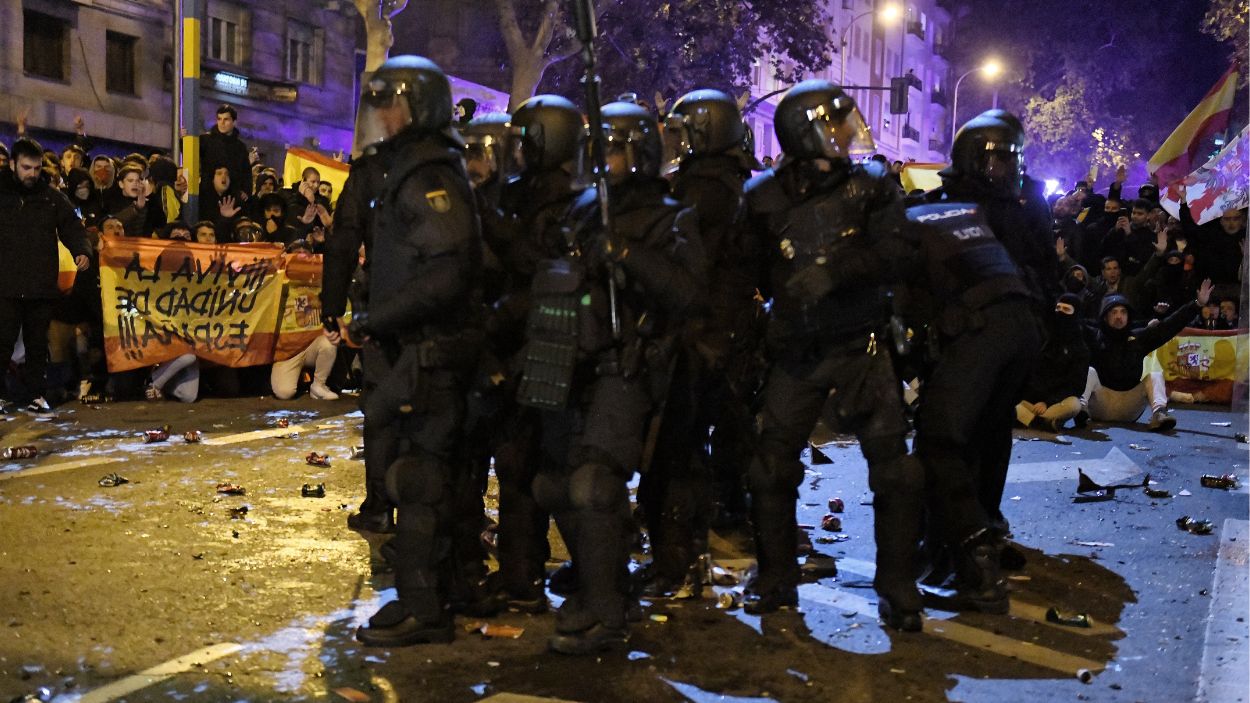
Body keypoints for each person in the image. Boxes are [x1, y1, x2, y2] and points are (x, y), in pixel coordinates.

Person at [741, 81, 924, 628]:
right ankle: (776, 580)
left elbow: (898, 250)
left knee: (895, 472)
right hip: (796, 349)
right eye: (837, 125)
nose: (848, 135)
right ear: (807, 134)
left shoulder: (871, 186)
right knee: (771, 468)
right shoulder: (762, 197)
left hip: (862, 346)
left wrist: (835, 271)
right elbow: (744, 271)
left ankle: (896, 583)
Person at [525, 100, 705, 654]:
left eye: (616, 148)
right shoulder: (580, 209)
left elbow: (687, 292)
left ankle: (608, 617)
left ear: (641, 152)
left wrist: (626, 254)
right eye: (597, 148)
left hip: (629, 364)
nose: (604, 159)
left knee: (595, 485)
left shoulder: (671, 213)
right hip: (571, 360)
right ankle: (607, 585)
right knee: (550, 483)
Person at [348, 56, 484, 648]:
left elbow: (447, 271)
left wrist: (378, 319)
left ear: (419, 105)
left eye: (392, 102)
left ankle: (425, 607)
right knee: (415, 473)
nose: (383, 114)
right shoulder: (407, 166)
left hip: (432, 350)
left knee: (421, 479)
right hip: (411, 348)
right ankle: (433, 593)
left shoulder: (431, 175)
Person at [906, 110, 1044, 615]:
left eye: (1010, 161)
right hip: (1005, 330)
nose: (1004, 171)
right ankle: (957, 539)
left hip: (982, 332)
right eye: (996, 161)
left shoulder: (927, 214)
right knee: (966, 436)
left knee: (946, 438)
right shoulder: (944, 205)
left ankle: (971, 552)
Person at [637, 88, 761, 599]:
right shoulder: (723, 183)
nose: (676, 143)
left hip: (701, 335)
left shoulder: (704, 189)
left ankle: (680, 564)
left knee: (677, 452)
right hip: (721, 333)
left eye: (684, 133)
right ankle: (685, 559)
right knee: (687, 450)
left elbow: (687, 270)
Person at [476, 95, 585, 613]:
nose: (514, 152)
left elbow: (535, 264)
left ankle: (592, 570)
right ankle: (520, 572)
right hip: (518, 340)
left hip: (547, 343)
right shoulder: (522, 192)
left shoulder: (565, 201)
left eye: (524, 142)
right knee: (518, 463)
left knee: (549, 468)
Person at [0, 138, 91, 414]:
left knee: (37, 344)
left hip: (40, 285)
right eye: (27, 168)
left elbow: (72, 227)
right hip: (5, 284)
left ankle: (36, 395)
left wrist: (82, 250)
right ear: (14, 164)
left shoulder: (52, 198)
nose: (32, 174)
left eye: (37, 168)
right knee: (2, 342)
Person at [1082, 280, 1214, 431]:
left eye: (1123, 312)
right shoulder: (1094, 337)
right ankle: (1080, 410)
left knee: (1154, 375)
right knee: (1089, 371)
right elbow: (1072, 322)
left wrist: (1197, 304)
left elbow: (1169, 326)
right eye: (1113, 312)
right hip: (1100, 407)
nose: (1119, 316)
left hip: (1129, 408)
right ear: (1105, 317)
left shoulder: (1138, 338)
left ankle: (1159, 414)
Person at [1015, 293, 1089, 432]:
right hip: (1032, 400)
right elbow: (1031, 374)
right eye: (1058, 308)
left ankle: (1030, 419)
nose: (1060, 313)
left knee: (1073, 405)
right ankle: (1043, 423)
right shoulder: (1043, 338)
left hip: (1056, 401)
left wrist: (1047, 402)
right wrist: (1037, 399)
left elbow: (1075, 385)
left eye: (1066, 310)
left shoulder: (1080, 348)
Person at [199, 104, 252, 209]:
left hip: (232, 197)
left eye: (226, 119)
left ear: (234, 122)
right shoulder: (205, 140)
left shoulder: (240, 147)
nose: (222, 123)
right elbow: (189, 153)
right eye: (219, 119)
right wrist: (184, 139)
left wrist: (246, 191)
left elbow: (246, 172)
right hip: (207, 196)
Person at [270, 335, 339, 400]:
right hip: (286, 353)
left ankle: (319, 385)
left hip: (310, 345)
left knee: (328, 342)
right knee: (285, 393)